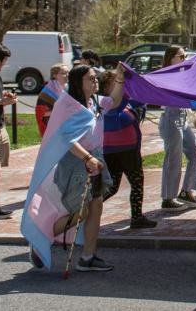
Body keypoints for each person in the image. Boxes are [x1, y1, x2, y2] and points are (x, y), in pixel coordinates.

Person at [23, 64, 125, 271]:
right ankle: (41, 238)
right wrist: (87, 158)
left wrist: (121, 78)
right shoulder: (68, 104)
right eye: (91, 78)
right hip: (77, 163)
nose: (95, 81)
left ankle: (88, 257)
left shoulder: (95, 101)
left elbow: (114, 101)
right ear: (79, 82)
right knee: (81, 211)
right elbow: (66, 138)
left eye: (96, 78)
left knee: (96, 207)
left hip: (95, 159)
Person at [100, 69, 156, 229]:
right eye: (116, 84)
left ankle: (137, 217)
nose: (121, 87)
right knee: (112, 186)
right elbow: (118, 114)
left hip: (128, 150)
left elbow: (141, 100)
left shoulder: (124, 102)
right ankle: (86, 210)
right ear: (105, 88)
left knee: (134, 183)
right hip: (117, 151)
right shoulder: (105, 103)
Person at [159, 45, 196, 211]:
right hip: (171, 120)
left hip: (182, 120)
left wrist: (192, 117)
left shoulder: (182, 74)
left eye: (185, 56)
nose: (185, 59)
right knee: (173, 159)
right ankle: (168, 198)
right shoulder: (165, 76)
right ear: (171, 58)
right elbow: (172, 99)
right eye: (181, 56)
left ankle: (186, 191)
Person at [0, 43, 17, 219]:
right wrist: (1, 102)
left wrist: (5, 98)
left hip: (0, 128)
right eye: (4, 60)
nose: (5, 63)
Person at [36, 64, 71, 138]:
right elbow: (41, 114)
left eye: (68, 72)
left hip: (67, 125)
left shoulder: (68, 88)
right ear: (55, 75)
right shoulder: (47, 93)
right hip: (52, 128)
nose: (67, 75)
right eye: (64, 73)